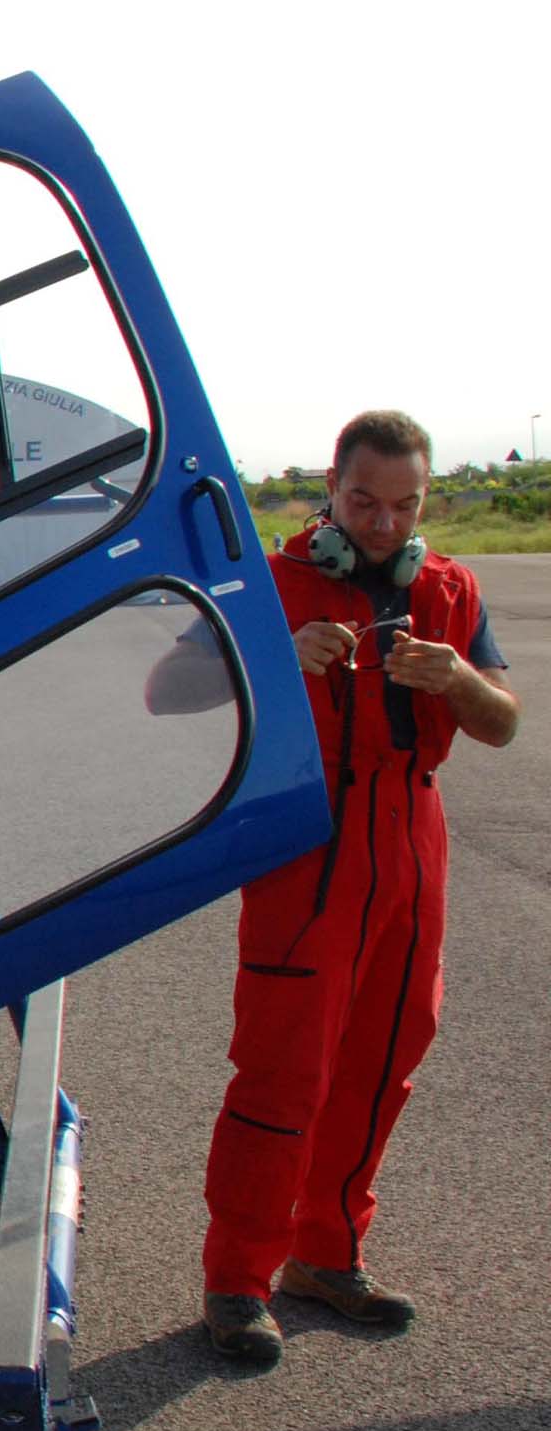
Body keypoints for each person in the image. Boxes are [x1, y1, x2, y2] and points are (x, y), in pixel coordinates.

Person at [172, 411, 518, 1367]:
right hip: (310, 847)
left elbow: (502, 723)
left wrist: (455, 681)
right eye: (364, 501)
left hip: (413, 840)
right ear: (332, 486)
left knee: (385, 1057)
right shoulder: (270, 582)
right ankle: (239, 1277)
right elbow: (165, 690)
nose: (383, 524)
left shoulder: (449, 588)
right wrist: (276, 658)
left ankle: (327, 1253)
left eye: (404, 505)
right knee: (285, 1064)